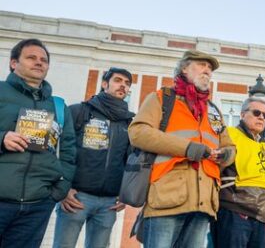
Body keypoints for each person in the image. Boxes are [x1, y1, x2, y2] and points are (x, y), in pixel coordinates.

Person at [129, 50, 235, 247]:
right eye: (202, 65)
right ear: (184, 68)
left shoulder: (213, 110)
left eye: (210, 68)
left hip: (204, 202)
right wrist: (189, 148)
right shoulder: (161, 98)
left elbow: (229, 145)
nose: (208, 71)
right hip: (167, 197)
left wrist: (227, 154)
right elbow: (138, 132)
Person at [0, 38, 76, 247]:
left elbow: (69, 152)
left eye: (43, 59)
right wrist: (2, 138)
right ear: (13, 63)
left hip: (37, 205)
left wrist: (59, 191)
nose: (39, 62)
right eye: (31, 57)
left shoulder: (58, 106)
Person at [53, 67, 135, 248]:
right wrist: (63, 188)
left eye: (127, 83)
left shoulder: (130, 123)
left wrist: (126, 193)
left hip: (109, 203)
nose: (123, 86)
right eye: (118, 80)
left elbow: (131, 160)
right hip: (76, 197)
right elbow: (58, 151)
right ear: (105, 84)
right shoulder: (78, 111)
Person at [212, 97, 265, 248]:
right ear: (241, 115)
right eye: (256, 112)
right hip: (235, 211)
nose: (261, 117)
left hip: (261, 215)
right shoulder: (230, 133)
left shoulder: (261, 146)